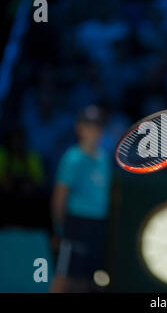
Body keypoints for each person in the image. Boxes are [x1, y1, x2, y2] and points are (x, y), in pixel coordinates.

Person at [50, 105, 112, 293]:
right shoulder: (72, 158)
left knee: (86, 279)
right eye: (88, 125)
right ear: (79, 128)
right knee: (64, 276)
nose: (93, 131)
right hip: (75, 224)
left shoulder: (105, 159)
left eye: (97, 126)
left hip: (97, 225)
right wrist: (60, 230)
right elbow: (59, 197)